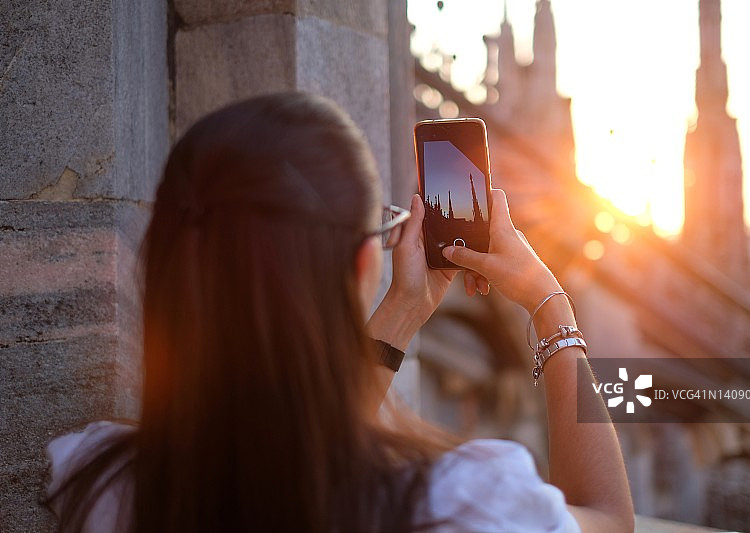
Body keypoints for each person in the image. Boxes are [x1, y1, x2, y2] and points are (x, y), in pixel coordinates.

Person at [46, 93, 634, 533]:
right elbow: (609, 517)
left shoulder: (97, 480)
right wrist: (549, 303)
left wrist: (404, 308)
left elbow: (297, 451)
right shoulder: (458, 503)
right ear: (362, 263)